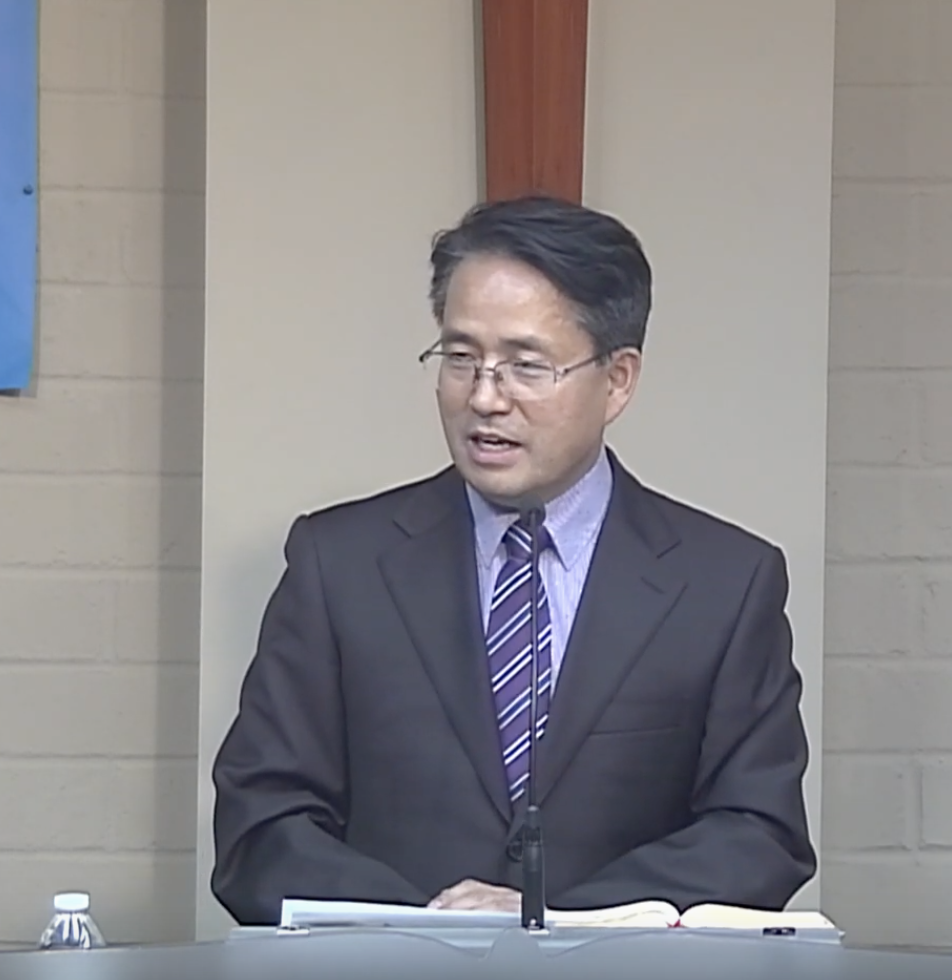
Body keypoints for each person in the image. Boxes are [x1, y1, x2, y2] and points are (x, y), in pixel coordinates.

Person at [209, 195, 815, 925]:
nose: (485, 398)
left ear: (618, 379)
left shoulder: (725, 584)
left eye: (526, 365)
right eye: (461, 357)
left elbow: (758, 834)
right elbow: (261, 826)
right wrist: (433, 928)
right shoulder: (339, 565)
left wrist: (553, 918)